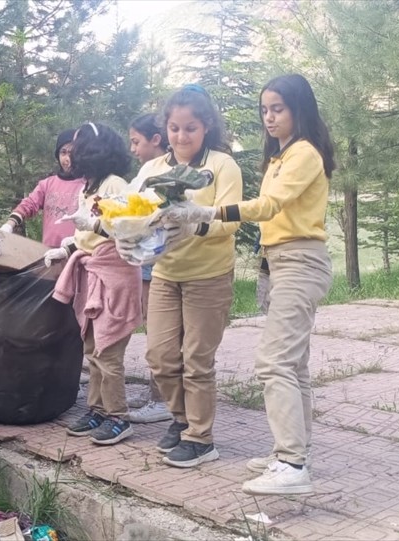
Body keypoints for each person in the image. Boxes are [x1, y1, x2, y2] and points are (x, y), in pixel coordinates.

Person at [202, 74, 336, 495]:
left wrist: (210, 213)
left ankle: (292, 466)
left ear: (299, 109)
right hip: (279, 262)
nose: (269, 117)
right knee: (293, 365)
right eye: (264, 110)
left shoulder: (304, 153)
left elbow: (269, 206)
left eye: (278, 108)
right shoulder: (281, 156)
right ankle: (293, 452)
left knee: (273, 362)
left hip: (300, 261)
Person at [120, 85, 243, 469]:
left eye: (190, 128)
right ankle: (181, 418)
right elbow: (130, 210)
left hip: (209, 275)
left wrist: (195, 224)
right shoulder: (152, 169)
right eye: (174, 128)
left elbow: (231, 219)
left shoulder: (221, 166)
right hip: (165, 273)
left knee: (196, 360)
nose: (181, 136)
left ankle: (201, 438)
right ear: (165, 128)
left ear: (206, 127)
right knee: (159, 357)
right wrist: (122, 233)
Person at [50, 122, 143, 446]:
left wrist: (94, 225)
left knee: (108, 349)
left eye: (77, 146)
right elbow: (83, 233)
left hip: (115, 274)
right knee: (91, 349)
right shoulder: (87, 187)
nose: (71, 153)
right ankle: (98, 409)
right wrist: (66, 248)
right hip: (92, 272)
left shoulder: (116, 185)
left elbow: (128, 229)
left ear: (93, 149)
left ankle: (119, 417)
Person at [124, 113, 173, 425]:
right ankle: (157, 392)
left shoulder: (171, 171)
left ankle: (164, 399)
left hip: (166, 260)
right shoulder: (146, 170)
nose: (133, 149)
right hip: (146, 259)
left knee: (162, 332)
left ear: (156, 139)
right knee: (152, 327)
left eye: (136, 141)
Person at [0, 129, 85, 247]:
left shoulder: (88, 185)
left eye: (72, 153)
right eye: (63, 153)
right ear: (58, 155)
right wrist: (9, 225)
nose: (67, 159)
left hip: (77, 252)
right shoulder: (47, 184)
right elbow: (28, 204)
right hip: (49, 251)